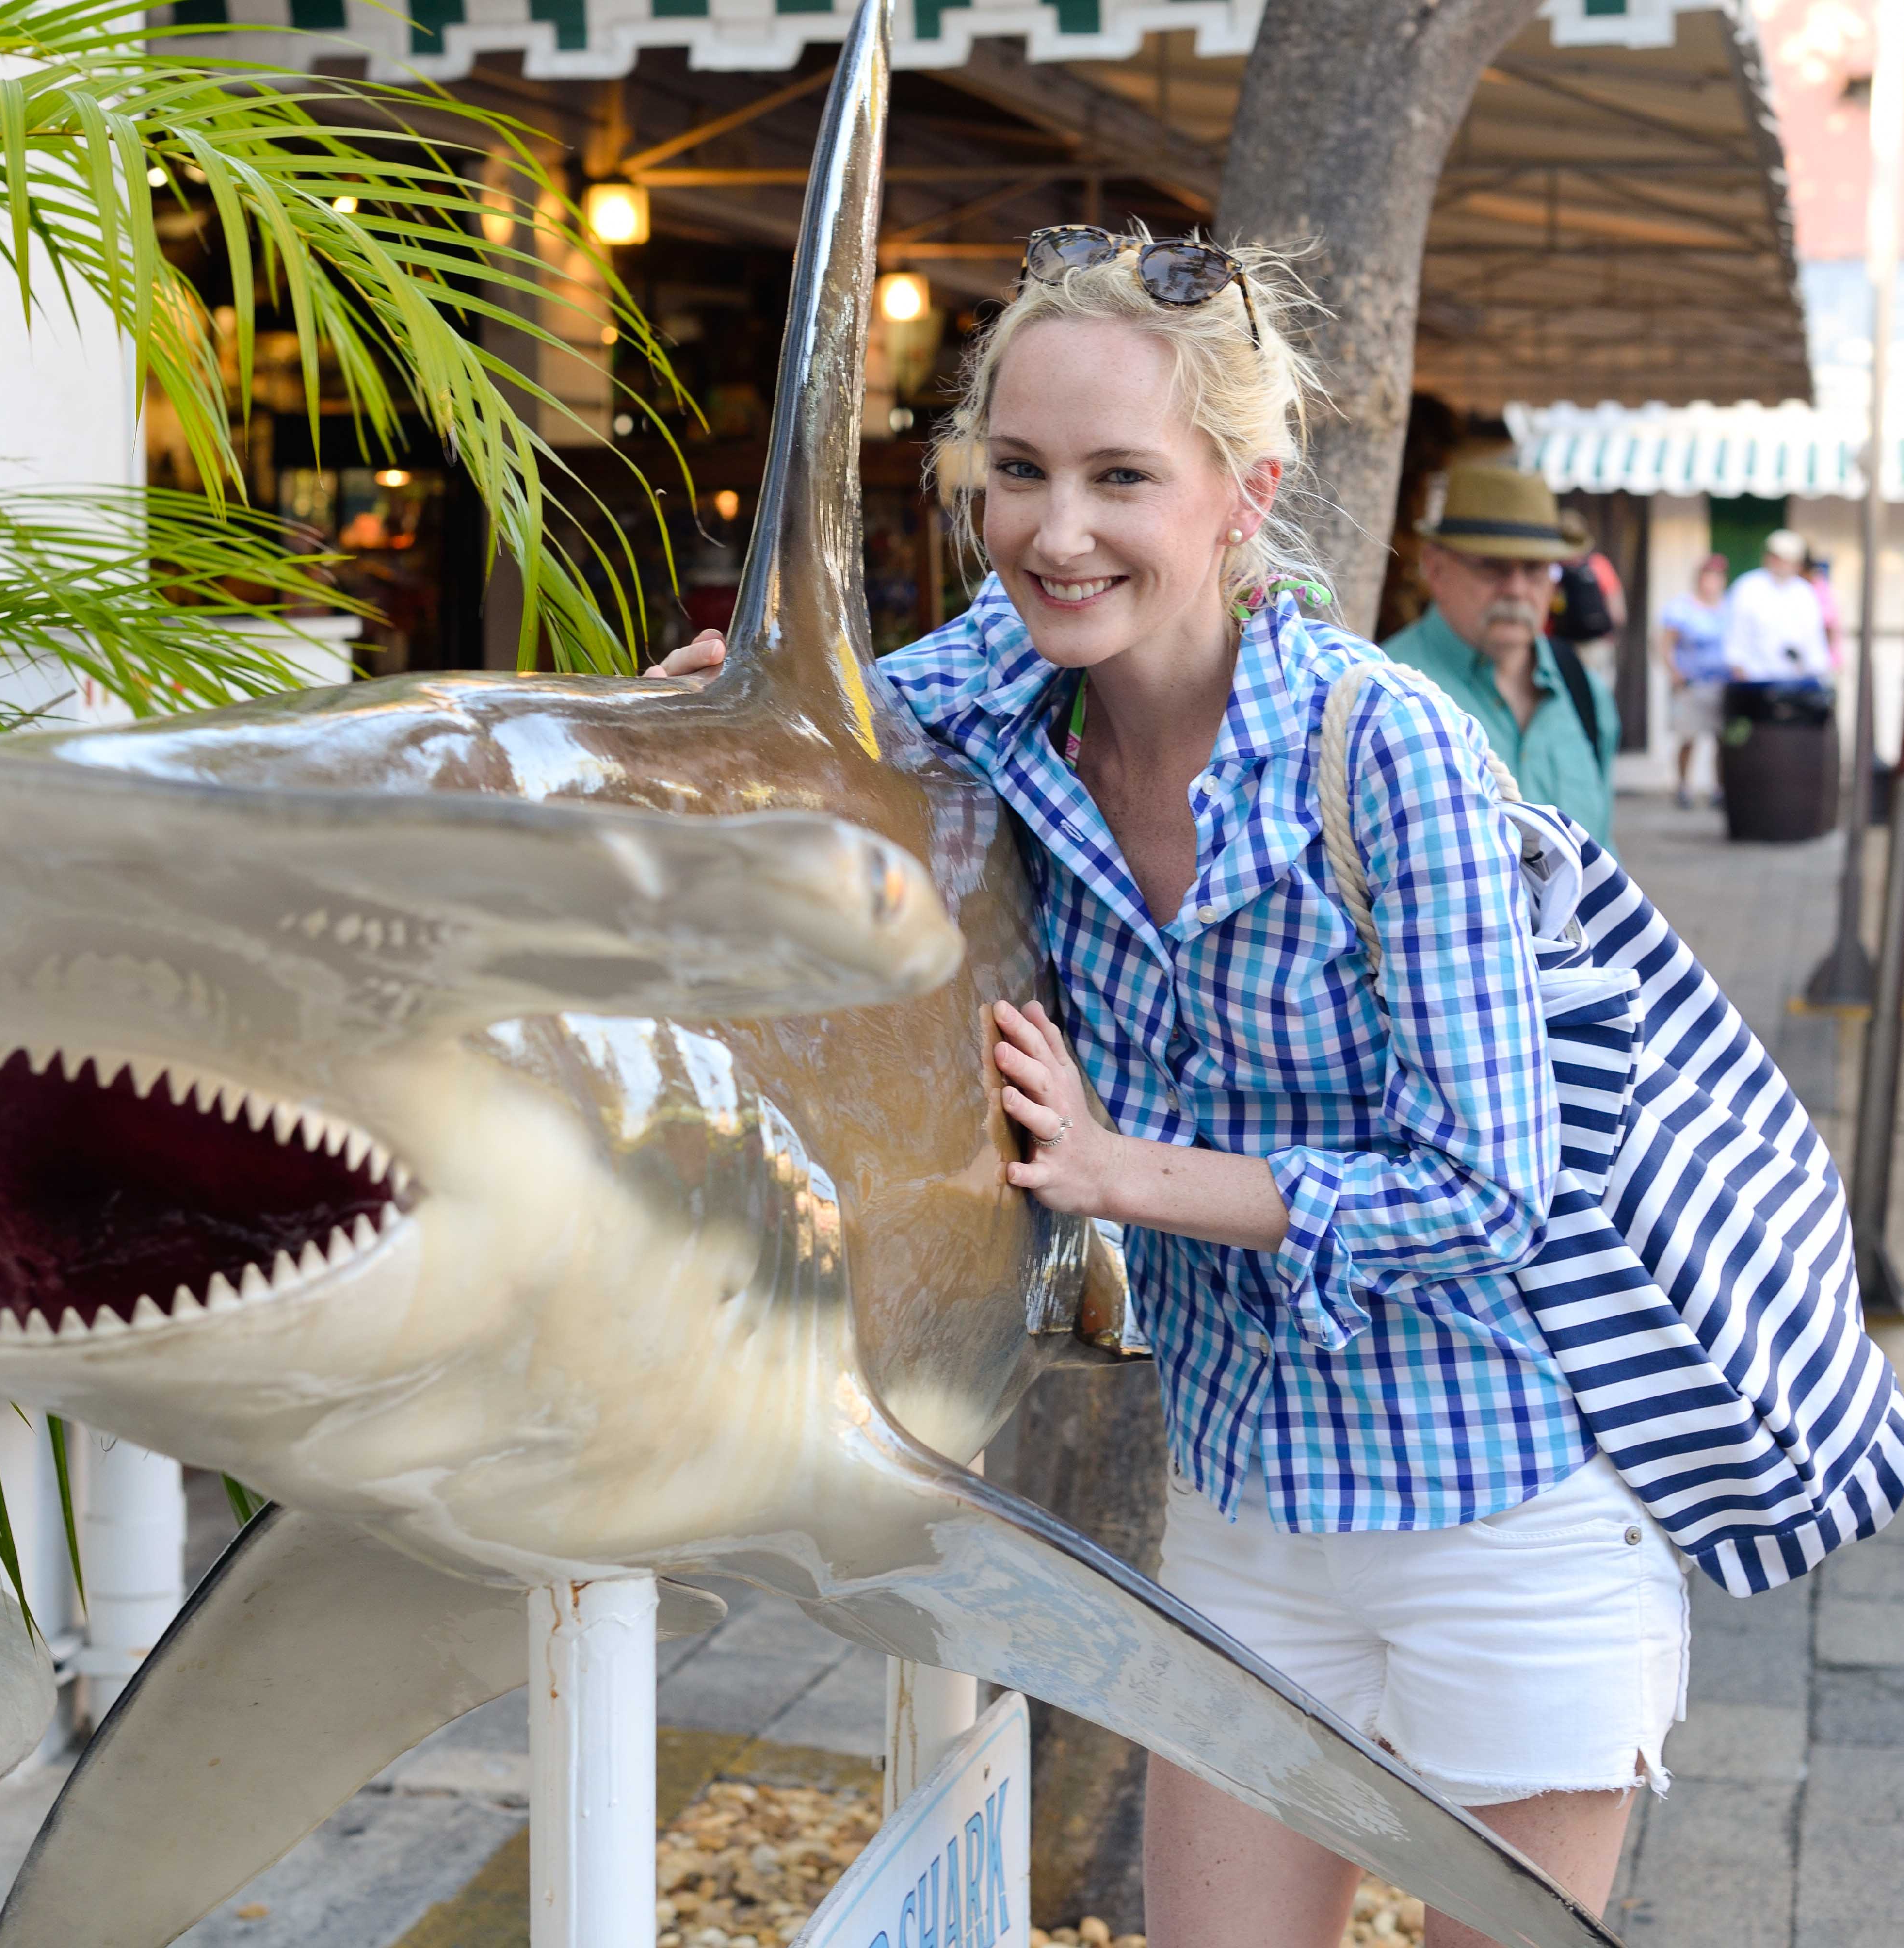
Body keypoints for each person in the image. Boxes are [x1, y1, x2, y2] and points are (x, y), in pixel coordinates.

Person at [652, 225, 1684, 1948]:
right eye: (1018, 475)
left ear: (1239, 491)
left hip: (1499, 1517)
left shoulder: (1384, 749)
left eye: (1120, 476)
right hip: (1241, 1509)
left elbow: (1492, 1183)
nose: (1058, 534)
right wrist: (705, 733)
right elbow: (816, 742)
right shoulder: (994, 693)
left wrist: (1128, 1171)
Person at [1375, 466, 1621, 844]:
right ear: (1436, 569)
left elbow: (1604, 856)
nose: (1518, 590)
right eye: (1492, 566)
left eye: (1535, 568)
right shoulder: (1384, 690)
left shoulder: (1585, 692)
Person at [1721, 528, 1831, 701]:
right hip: (1756, 684)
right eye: (1780, 559)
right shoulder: (1748, 587)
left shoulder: (1805, 592)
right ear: (1769, 558)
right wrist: (1740, 670)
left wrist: (1818, 674)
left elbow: (1814, 639)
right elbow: (1735, 636)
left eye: (1791, 561)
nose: (1785, 565)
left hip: (1797, 685)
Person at [1658, 553, 1730, 810]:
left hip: (1722, 684)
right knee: (1689, 738)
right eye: (1707, 576)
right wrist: (1674, 671)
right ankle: (1683, 787)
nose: (1712, 582)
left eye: (1717, 577)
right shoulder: (1682, 608)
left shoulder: (1729, 607)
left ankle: (1720, 789)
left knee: (1722, 740)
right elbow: (1665, 643)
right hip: (1691, 684)